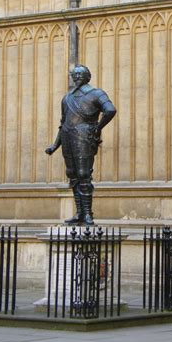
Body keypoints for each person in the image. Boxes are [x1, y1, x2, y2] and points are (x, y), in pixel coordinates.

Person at [45, 65, 116, 225]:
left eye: (80, 74)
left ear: (87, 76)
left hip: (84, 136)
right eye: (74, 74)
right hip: (67, 136)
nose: (76, 77)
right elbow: (63, 123)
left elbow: (110, 110)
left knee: (84, 174)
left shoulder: (96, 93)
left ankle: (88, 214)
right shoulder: (67, 98)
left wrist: (97, 128)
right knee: (72, 174)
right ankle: (79, 213)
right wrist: (55, 145)